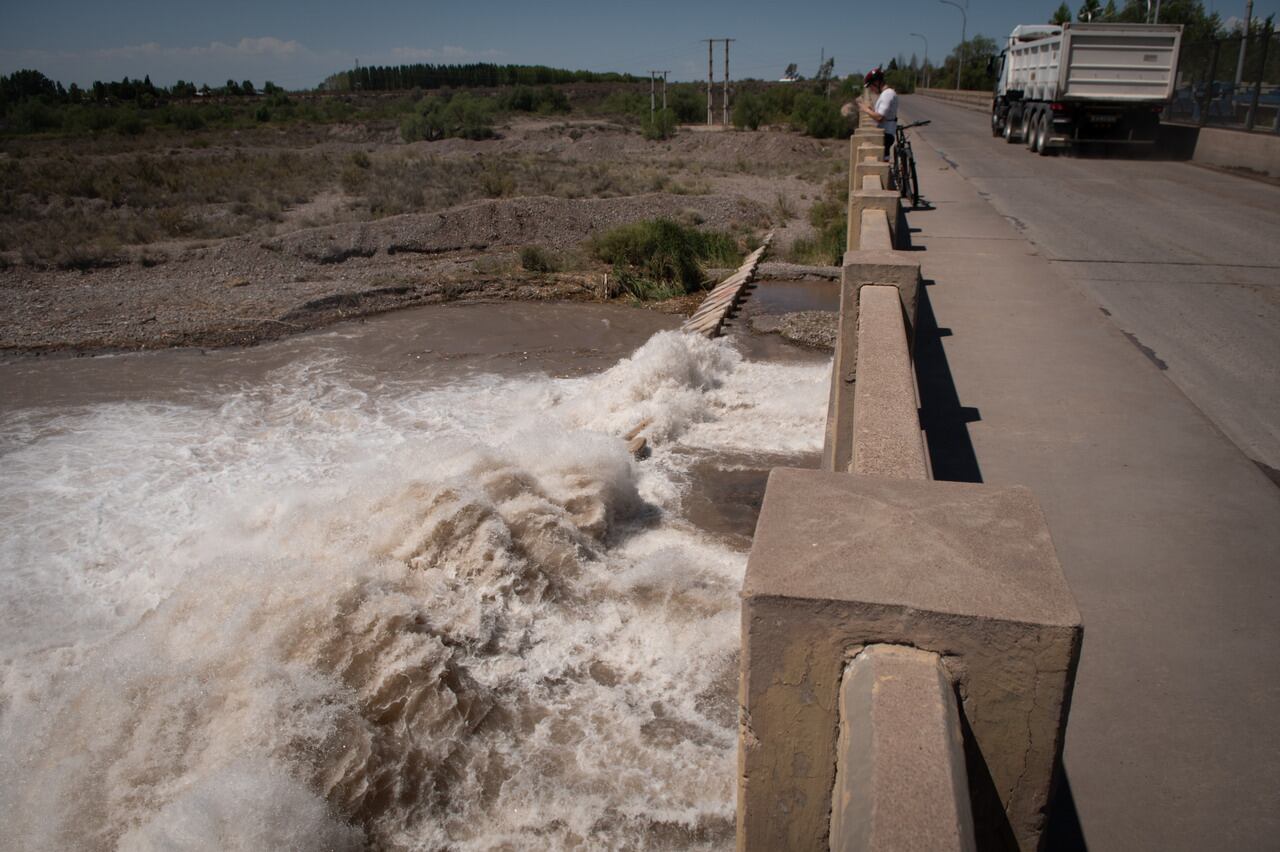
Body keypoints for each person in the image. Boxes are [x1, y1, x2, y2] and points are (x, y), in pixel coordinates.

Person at [857, 68, 898, 160]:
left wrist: (866, 110)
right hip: (886, 132)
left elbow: (880, 117)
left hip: (886, 134)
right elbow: (881, 114)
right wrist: (870, 109)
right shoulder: (887, 94)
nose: (871, 89)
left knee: (877, 158)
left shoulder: (887, 94)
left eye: (871, 86)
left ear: (877, 82)